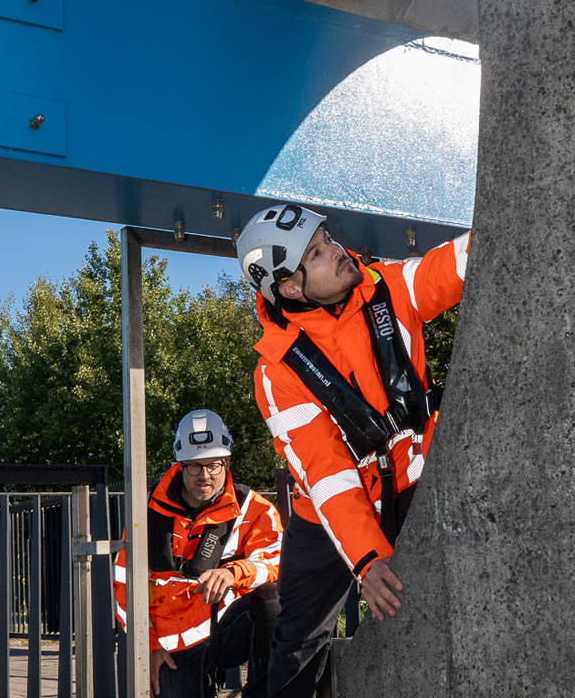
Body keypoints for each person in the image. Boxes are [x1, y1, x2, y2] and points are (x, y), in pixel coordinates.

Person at [236, 203, 469, 697]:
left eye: (328, 239)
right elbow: (328, 475)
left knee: (445, 609)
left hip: (413, 484)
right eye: (318, 253)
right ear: (291, 288)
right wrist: (368, 560)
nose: (339, 253)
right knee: (298, 645)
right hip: (327, 519)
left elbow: (451, 267)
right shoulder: (277, 374)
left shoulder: (390, 288)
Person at [113, 409, 283, 697]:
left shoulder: (254, 509)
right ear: (180, 465)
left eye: (213, 465)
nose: (204, 476)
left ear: (226, 462)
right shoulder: (145, 515)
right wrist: (149, 646)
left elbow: (277, 561)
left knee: (273, 600)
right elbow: (123, 584)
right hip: (171, 645)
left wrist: (233, 573)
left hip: (225, 626)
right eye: (195, 466)